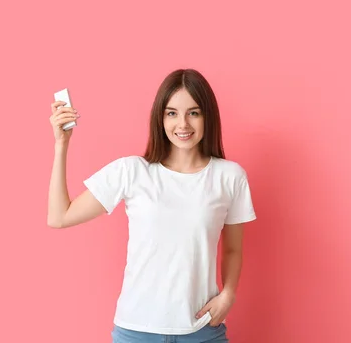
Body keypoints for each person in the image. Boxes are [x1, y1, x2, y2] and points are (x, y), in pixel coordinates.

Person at [47, 69, 257, 342]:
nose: (183, 124)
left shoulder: (230, 177)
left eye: (194, 112)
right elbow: (59, 216)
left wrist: (228, 294)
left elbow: (232, 250)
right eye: (171, 113)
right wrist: (61, 145)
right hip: (136, 331)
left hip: (203, 330)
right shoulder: (132, 171)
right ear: (160, 118)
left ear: (208, 116)